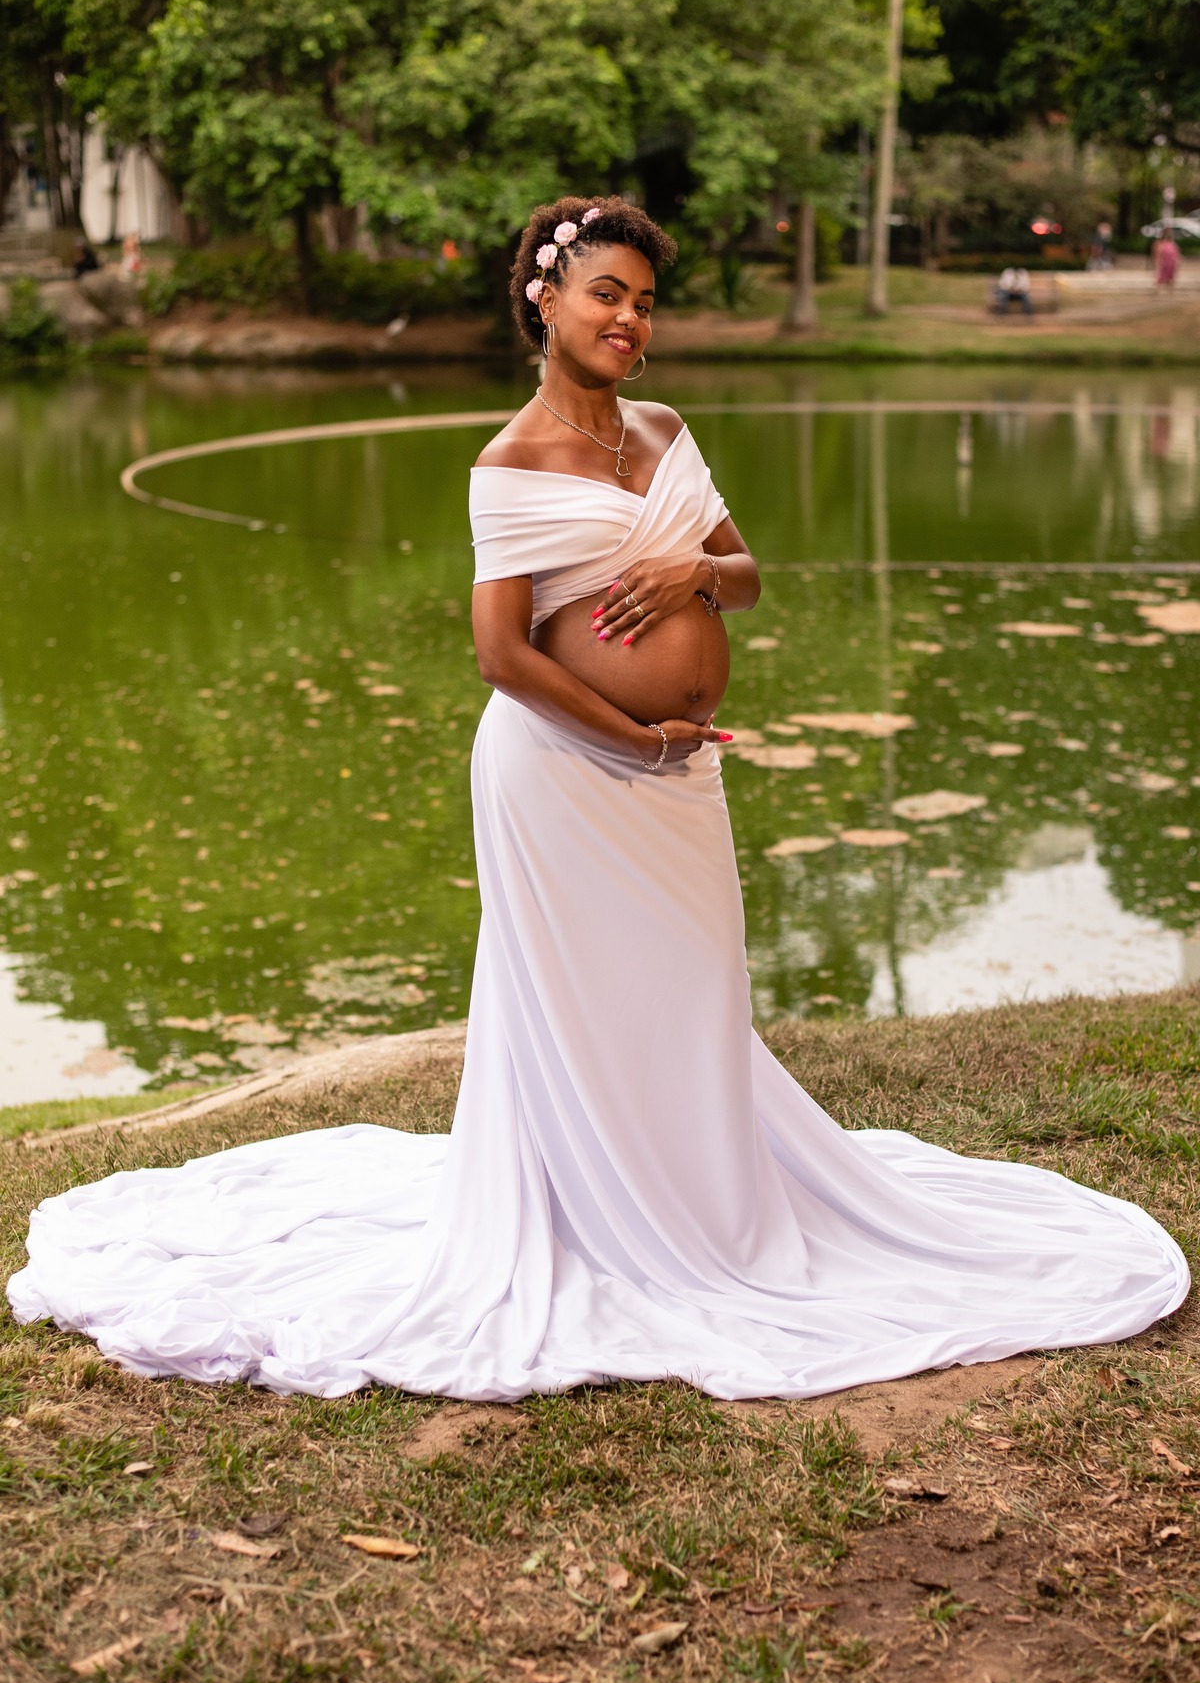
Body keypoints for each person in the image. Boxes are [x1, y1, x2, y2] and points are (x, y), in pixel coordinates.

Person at [7, 197, 1187, 1402]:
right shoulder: (509, 462)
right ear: (545, 299)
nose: (629, 319)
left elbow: (751, 577)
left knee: (693, 987)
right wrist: (637, 731)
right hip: (567, 775)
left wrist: (693, 570)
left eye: (644, 301)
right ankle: (603, 1216)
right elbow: (501, 655)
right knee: (582, 1005)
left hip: (679, 774)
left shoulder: (664, 429)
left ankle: (701, 1199)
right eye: (605, 294)